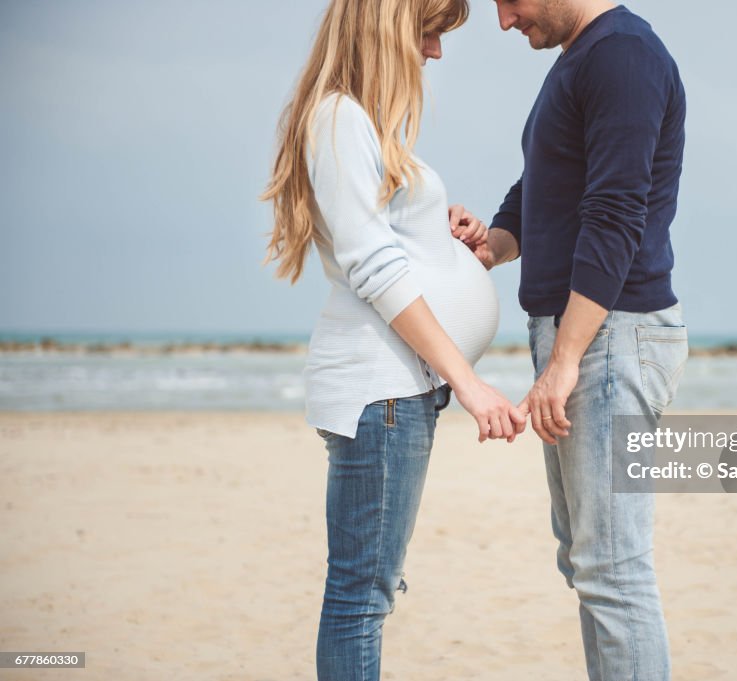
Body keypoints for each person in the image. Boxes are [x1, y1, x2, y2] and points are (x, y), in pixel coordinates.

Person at [261, 1, 526, 679]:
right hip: (382, 392)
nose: (436, 52)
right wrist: (467, 382)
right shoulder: (340, 118)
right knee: (360, 598)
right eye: (431, 31)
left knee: (367, 591)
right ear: (389, 26)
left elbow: (390, 248)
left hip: (394, 394)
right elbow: (373, 271)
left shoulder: (358, 126)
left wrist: (444, 227)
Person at [473, 1, 689, 679]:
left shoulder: (623, 55)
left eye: (509, 1)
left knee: (613, 569)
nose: (504, 20)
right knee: (587, 559)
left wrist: (565, 359)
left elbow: (616, 212)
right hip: (587, 335)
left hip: (608, 336)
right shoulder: (580, 58)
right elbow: (541, 186)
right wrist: (492, 243)